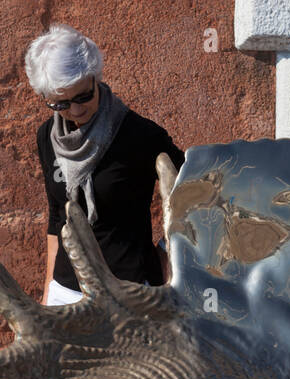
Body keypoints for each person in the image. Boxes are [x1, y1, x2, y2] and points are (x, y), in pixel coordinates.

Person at [24, 24, 186, 305]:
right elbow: (56, 217)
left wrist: (166, 251)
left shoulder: (140, 135)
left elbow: (194, 194)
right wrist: (49, 291)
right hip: (67, 291)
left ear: (95, 77)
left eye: (83, 96)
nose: (75, 110)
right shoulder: (47, 137)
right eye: (61, 104)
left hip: (130, 291)